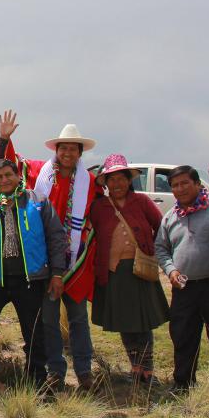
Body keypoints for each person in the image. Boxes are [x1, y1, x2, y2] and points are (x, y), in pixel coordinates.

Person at [0, 111, 98, 391]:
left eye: (72, 148)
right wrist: (4, 138)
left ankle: (85, 371)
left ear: (79, 152)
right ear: (56, 150)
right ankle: (56, 371)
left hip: (74, 260)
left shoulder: (90, 184)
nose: (67, 152)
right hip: (44, 260)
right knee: (50, 320)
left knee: (78, 318)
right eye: (63, 147)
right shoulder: (39, 173)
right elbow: (8, 166)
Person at [0, 159, 67, 397]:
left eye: (8, 175)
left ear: (18, 175)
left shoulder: (36, 201)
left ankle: (37, 381)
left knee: (34, 331)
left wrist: (57, 272)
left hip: (31, 279)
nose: (4, 180)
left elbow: (56, 237)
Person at [89, 154, 169, 384]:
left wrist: (153, 251)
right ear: (105, 183)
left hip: (140, 270)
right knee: (127, 323)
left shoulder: (142, 202)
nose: (117, 184)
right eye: (111, 180)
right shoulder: (99, 207)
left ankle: (148, 370)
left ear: (128, 179)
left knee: (143, 323)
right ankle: (135, 367)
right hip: (114, 273)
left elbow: (161, 227)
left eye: (121, 178)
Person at [155, 165, 209, 391]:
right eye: (175, 185)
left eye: (185, 183)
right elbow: (161, 247)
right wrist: (171, 270)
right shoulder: (171, 217)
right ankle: (183, 384)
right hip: (184, 288)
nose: (180, 189)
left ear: (198, 184)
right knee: (182, 336)